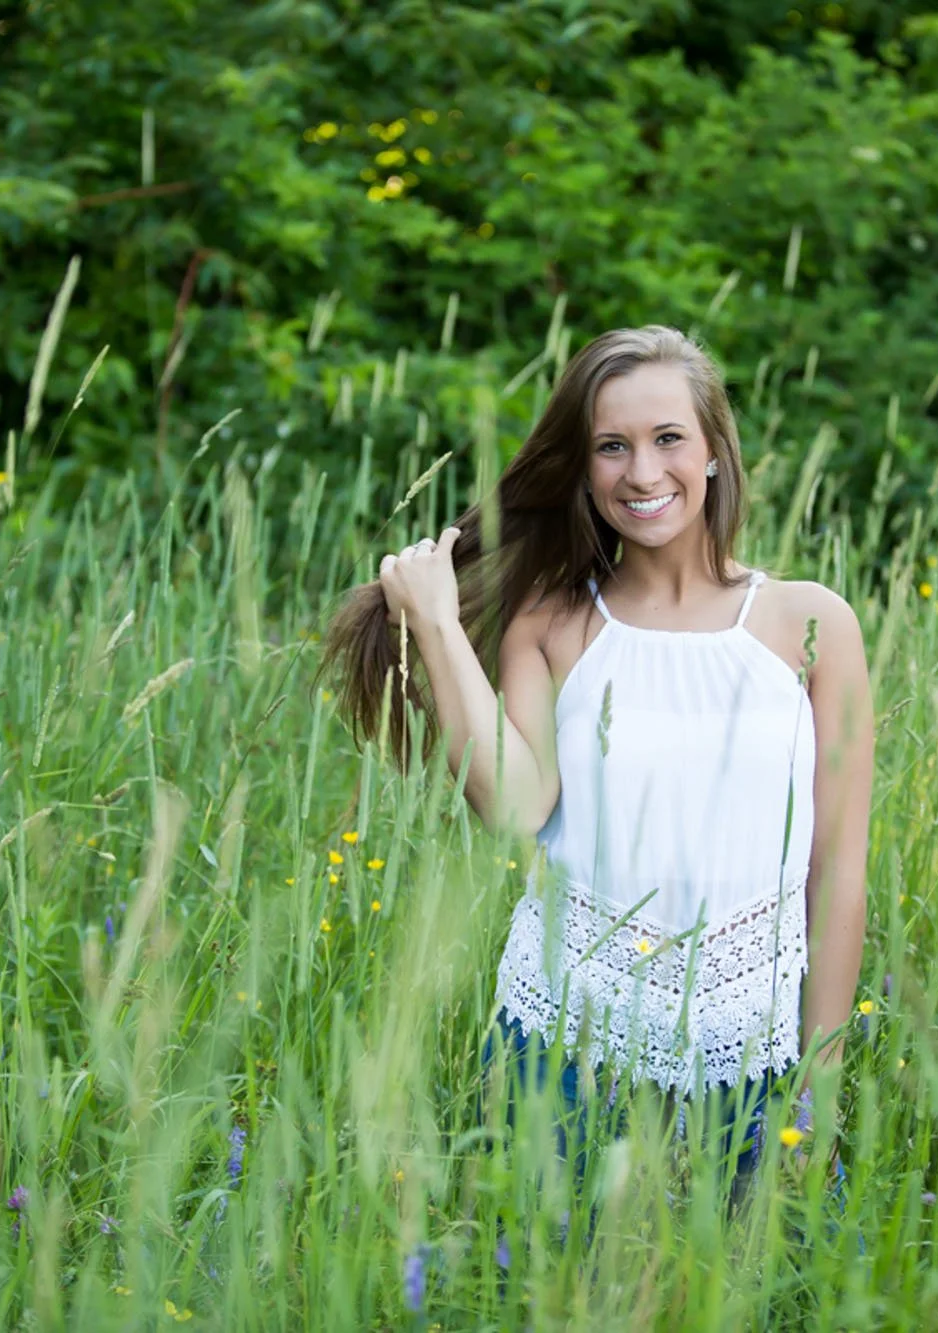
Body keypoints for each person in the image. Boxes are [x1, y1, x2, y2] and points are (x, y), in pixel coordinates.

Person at [322, 324, 873, 1213]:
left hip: (756, 1056)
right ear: (581, 470)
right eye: (611, 447)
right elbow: (515, 804)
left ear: (714, 455)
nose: (642, 473)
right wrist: (435, 625)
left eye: (667, 440)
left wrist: (819, 1085)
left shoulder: (808, 626)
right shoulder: (555, 624)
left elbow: (837, 873)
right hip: (565, 1047)